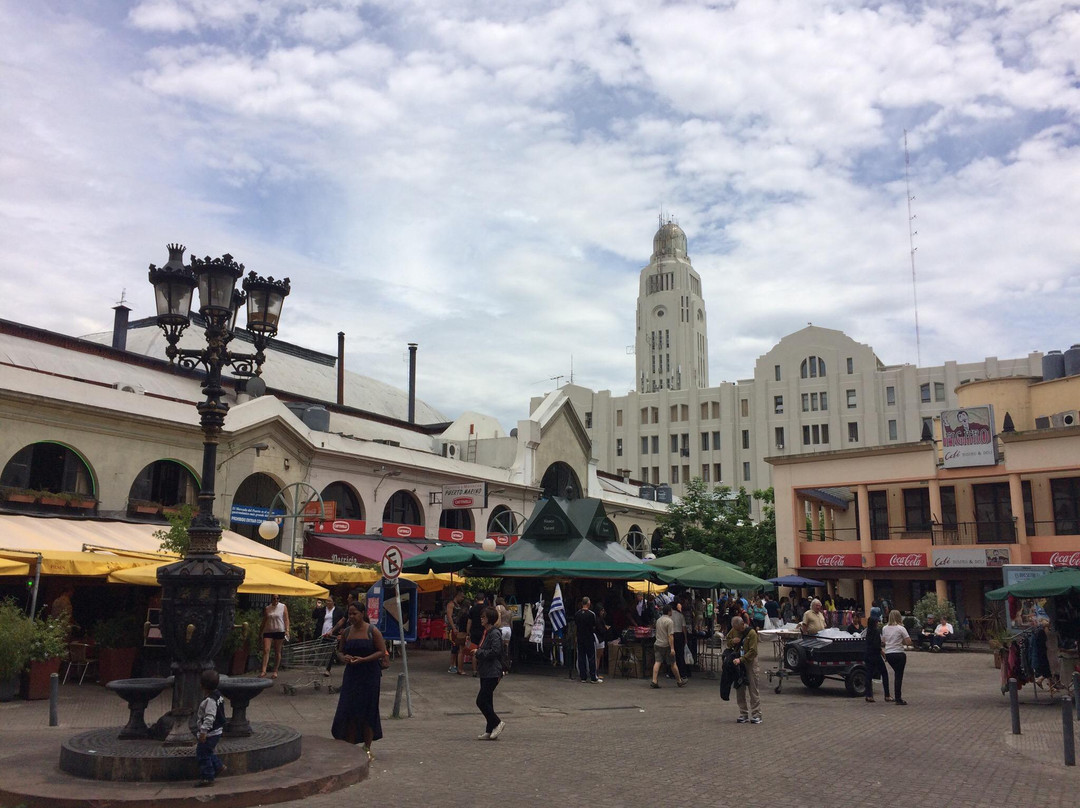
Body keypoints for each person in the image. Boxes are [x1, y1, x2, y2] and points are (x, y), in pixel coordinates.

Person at [331, 603, 385, 762]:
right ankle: (349, 745)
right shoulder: (347, 632)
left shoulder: (372, 631)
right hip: (352, 675)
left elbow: (381, 651)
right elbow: (340, 651)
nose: (352, 617)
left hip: (369, 675)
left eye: (355, 614)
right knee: (349, 709)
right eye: (350, 614)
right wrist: (344, 658)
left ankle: (367, 747)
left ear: (363, 613)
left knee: (369, 710)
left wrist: (363, 660)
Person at [474, 606, 506, 740]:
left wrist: (479, 653)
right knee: (488, 700)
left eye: (484, 617)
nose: (481, 619)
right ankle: (489, 729)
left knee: (481, 700)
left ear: (490, 619)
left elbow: (495, 651)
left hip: (493, 671)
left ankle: (497, 722)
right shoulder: (486, 632)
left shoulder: (494, 633)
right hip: (485, 671)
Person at [726, 615, 761, 724]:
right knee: (739, 687)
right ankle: (743, 713)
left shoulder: (751, 633)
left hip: (750, 661)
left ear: (742, 624)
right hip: (738, 661)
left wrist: (742, 659)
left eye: (738, 628)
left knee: (753, 687)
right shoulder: (733, 631)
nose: (737, 631)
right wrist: (733, 641)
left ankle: (756, 714)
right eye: (735, 629)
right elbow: (727, 641)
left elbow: (753, 651)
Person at [194, 669, 226, 787]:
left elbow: (209, 717)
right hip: (217, 731)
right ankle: (218, 766)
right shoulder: (218, 695)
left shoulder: (210, 700)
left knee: (202, 753)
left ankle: (208, 776)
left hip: (210, 733)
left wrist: (203, 732)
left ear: (202, 685)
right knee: (207, 751)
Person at [651, 604, 686, 688]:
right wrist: (672, 648)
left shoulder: (658, 620)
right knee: (673, 663)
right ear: (669, 611)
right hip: (666, 645)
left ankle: (654, 680)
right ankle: (679, 681)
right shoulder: (669, 621)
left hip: (658, 643)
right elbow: (670, 636)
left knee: (657, 662)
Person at [882, 609, 912, 705]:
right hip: (898, 653)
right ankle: (898, 697)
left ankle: (896, 696)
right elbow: (908, 642)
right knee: (899, 675)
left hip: (889, 653)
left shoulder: (885, 628)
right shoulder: (901, 628)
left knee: (896, 673)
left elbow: (884, 640)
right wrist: (901, 641)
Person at [259, 594, 290, 679]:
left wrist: (287, 630)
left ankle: (275, 670)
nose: (276, 600)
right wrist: (260, 631)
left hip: (279, 630)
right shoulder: (268, 608)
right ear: (271, 599)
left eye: (277, 598)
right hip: (268, 630)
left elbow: (286, 619)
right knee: (266, 649)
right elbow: (264, 620)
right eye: (274, 598)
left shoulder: (283, 607)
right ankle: (263, 670)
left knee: (277, 651)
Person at [863, 615, 891, 703]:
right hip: (875, 655)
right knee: (884, 673)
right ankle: (887, 695)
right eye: (877, 622)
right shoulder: (876, 631)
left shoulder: (868, 631)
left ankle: (869, 695)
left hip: (868, 654)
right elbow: (876, 645)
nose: (878, 623)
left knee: (869, 674)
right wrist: (882, 653)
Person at [575, 597, 600, 683]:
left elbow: (576, 625)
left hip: (580, 637)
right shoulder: (591, 614)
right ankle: (593, 677)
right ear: (588, 604)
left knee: (581, 657)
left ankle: (583, 677)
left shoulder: (577, 614)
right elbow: (594, 626)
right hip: (589, 637)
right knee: (591, 657)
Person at [313, 597, 338, 676]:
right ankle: (319, 666)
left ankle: (328, 669)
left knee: (331, 652)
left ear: (333, 602)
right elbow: (314, 616)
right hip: (322, 633)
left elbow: (341, 621)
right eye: (327, 601)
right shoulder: (323, 610)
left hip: (332, 634)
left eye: (330, 601)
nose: (328, 602)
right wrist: (317, 608)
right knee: (321, 651)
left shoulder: (338, 611)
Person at [464, 593, 486, 676]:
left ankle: (474, 671)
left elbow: (469, 621)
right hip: (484, 632)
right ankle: (482, 670)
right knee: (483, 651)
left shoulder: (472, 609)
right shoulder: (486, 608)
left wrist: (468, 632)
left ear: (476, 600)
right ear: (484, 599)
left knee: (474, 651)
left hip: (474, 632)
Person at [446, 590, 466, 674]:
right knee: (454, 647)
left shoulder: (458, 605)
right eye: (462, 597)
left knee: (457, 647)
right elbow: (449, 616)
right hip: (453, 628)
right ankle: (452, 665)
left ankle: (455, 664)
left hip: (458, 627)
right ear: (457, 595)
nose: (462, 599)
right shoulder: (451, 604)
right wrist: (453, 627)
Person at [671, 598, 689, 679]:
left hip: (671, 635)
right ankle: (682, 672)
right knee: (680, 655)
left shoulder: (669, 616)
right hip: (679, 635)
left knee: (672, 655)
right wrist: (685, 638)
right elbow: (684, 628)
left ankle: (672, 673)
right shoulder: (681, 615)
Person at [495, 596, 513, 672]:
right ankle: (506, 666)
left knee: (499, 649)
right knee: (506, 649)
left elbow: (498, 620)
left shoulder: (498, 608)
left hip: (501, 628)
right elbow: (511, 622)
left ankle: (500, 666)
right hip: (508, 629)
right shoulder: (508, 609)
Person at [594, 602, 611, 676]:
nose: (603, 612)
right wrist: (606, 629)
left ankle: (595, 672)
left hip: (596, 638)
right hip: (599, 639)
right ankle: (596, 672)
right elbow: (601, 630)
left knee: (597, 657)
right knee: (598, 657)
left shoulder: (595, 618)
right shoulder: (599, 620)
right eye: (602, 611)